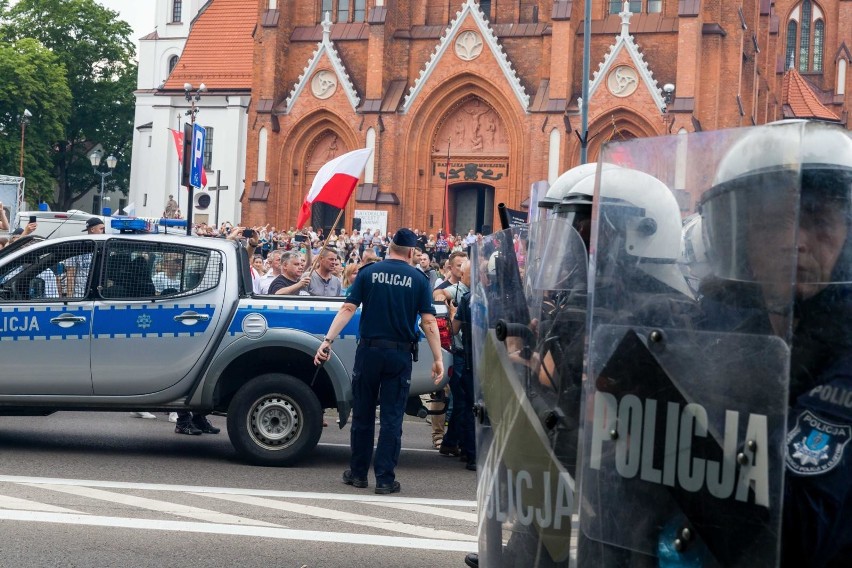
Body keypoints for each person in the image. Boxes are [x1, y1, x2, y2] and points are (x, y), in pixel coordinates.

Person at [697, 121, 852, 567]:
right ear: (740, 236)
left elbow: (798, 530)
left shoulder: (846, 359)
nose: (797, 242)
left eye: (820, 221)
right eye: (773, 223)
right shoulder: (713, 333)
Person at [314, 228, 444, 494]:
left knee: (362, 415)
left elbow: (348, 308)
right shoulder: (419, 280)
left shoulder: (369, 273)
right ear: (410, 252)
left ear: (391, 246)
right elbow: (429, 321)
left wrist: (327, 341)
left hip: (369, 352)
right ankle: (385, 479)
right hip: (399, 355)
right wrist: (438, 357)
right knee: (392, 418)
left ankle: (358, 473)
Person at [65, 217, 104, 298]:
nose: (103, 232)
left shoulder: (104, 247)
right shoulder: (78, 248)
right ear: (92, 230)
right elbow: (70, 274)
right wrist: (69, 298)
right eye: (101, 229)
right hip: (80, 295)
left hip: (99, 294)